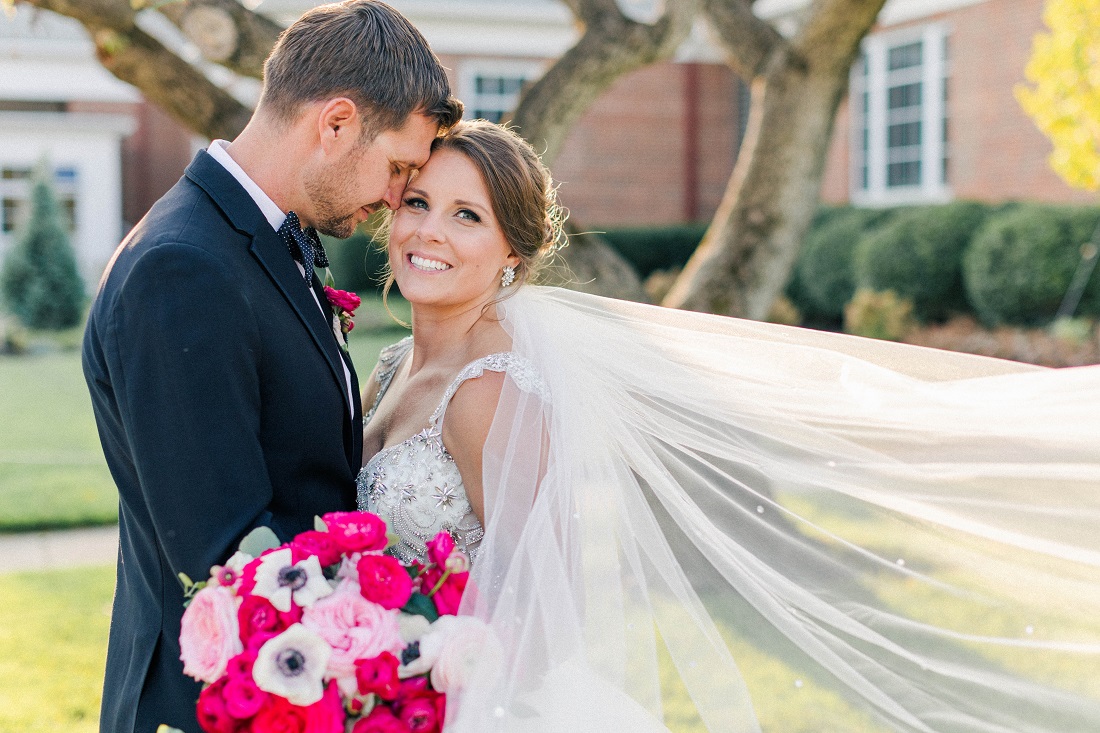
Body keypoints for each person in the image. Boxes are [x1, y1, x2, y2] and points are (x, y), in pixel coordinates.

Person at [358, 118, 1100, 732]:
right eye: (418, 201)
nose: (431, 231)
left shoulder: (489, 392)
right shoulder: (393, 365)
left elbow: (550, 610)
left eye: (468, 215)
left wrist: (440, 677)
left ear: (511, 254)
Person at [81, 3, 462, 731]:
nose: (393, 198)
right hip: (223, 704)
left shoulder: (253, 240)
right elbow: (231, 551)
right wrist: (407, 643)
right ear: (337, 123)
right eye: (399, 167)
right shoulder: (182, 268)